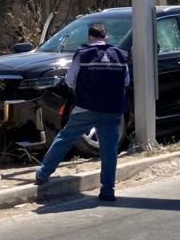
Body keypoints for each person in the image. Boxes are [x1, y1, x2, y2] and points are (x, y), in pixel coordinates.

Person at [35, 26, 130, 202]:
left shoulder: (83, 54)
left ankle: (43, 174)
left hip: (86, 108)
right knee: (109, 150)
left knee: (64, 139)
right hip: (112, 110)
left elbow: (70, 80)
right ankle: (108, 190)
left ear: (89, 37)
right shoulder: (120, 55)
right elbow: (125, 81)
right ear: (106, 37)